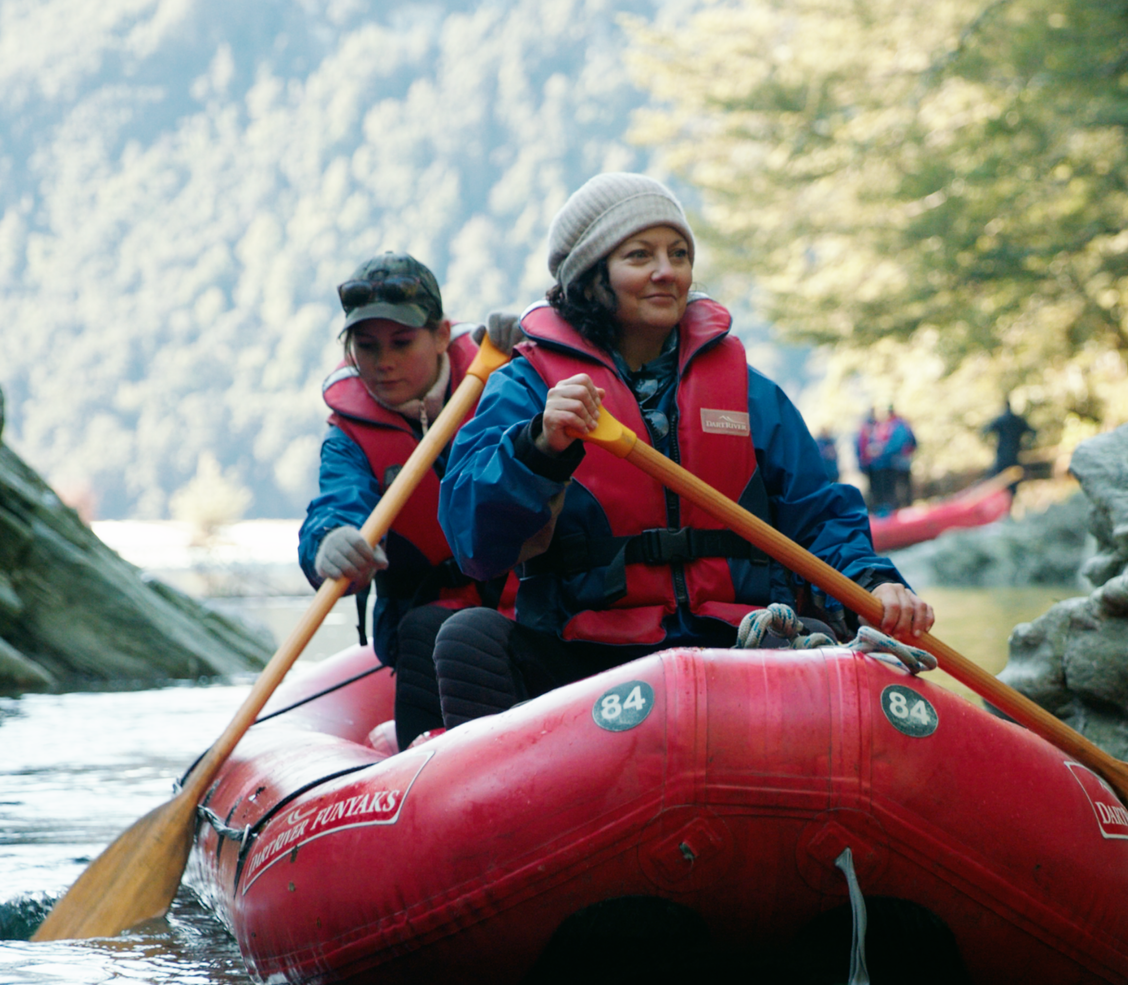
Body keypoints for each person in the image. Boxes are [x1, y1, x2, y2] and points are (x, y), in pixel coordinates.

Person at [431, 172, 933, 726]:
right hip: (587, 658)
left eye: (679, 254)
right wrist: (538, 448)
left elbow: (818, 515)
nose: (666, 271)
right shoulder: (525, 387)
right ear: (591, 275)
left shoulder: (748, 391)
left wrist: (873, 582)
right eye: (639, 255)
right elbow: (474, 542)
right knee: (468, 639)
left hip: (737, 645)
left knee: (821, 639)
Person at [297, 251, 514, 739]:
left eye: (401, 342)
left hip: (527, 611)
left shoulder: (504, 379)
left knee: (467, 635)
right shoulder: (348, 437)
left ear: (441, 335)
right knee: (424, 631)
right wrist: (329, 541)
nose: (383, 363)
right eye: (366, 346)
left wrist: (541, 348)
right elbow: (336, 505)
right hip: (422, 624)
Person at [856, 404, 917, 513]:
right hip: (882, 464)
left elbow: (900, 444)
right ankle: (893, 510)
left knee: (899, 488)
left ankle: (903, 510)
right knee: (888, 490)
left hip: (896, 462)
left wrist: (882, 451)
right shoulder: (884, 426)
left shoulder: (897, 425)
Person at [982, 396, 1035, 490]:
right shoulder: (1017, 420)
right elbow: (1033, 432)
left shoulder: (1001, 420)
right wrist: (1027, 445)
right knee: (1011, 480)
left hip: (1003, 455)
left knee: (1001, 479)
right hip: (1014, 454)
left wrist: (989, 445)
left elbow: (985, 431)